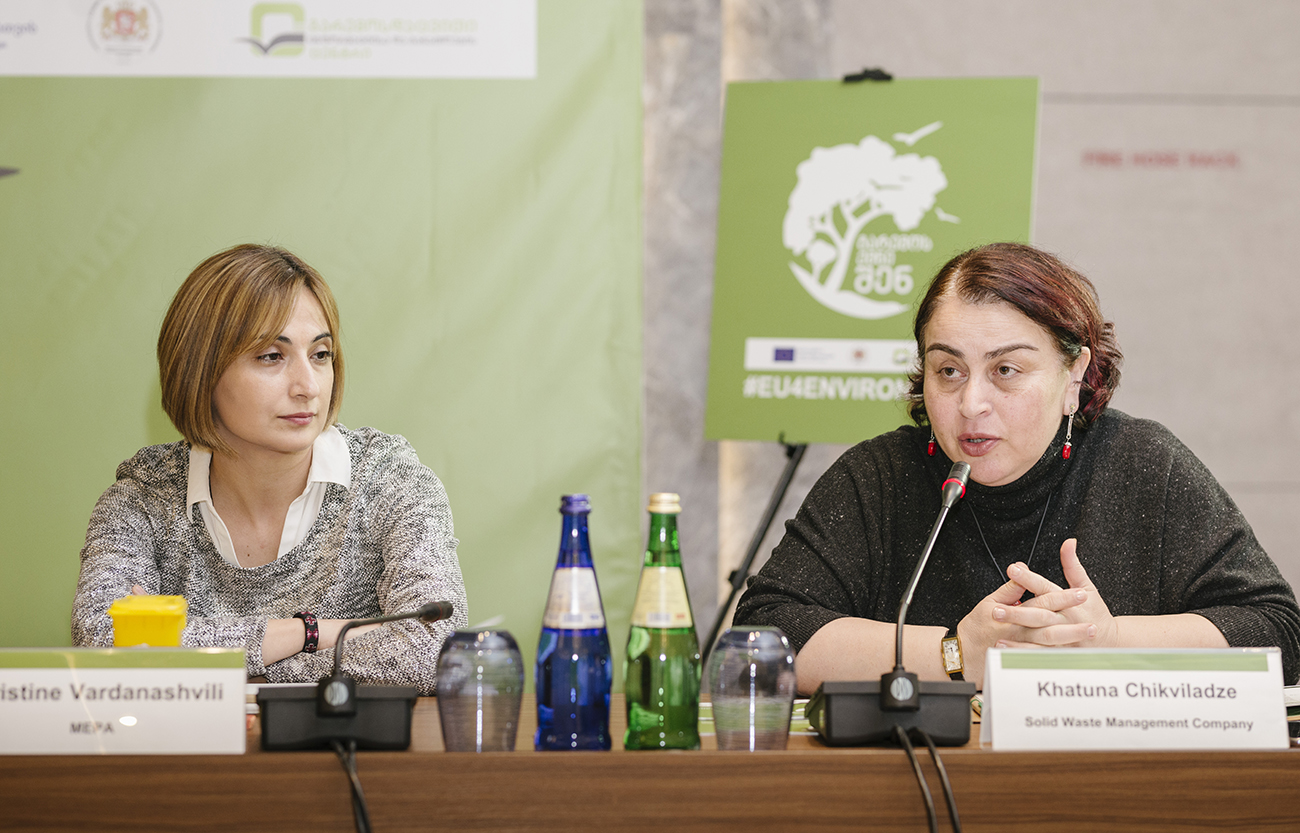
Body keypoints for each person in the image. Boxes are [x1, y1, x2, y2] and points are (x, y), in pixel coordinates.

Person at [735, 242, 1300, 691]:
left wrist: (1111, 642)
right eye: (948, 370)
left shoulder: (1142, 464)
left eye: (1005, 370)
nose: (971, 403)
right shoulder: (878, 476)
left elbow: (1278, 632)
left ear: (1073, 375)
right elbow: (762, 638)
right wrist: (956, 654)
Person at [71, 244, 468, 694]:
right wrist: (312, 633)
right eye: (271, 356)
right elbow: (103, 644)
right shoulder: (144, 498)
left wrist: (217, 665)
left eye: (320, 354)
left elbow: (434, 649)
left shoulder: (390, 480)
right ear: (200, 371)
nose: (308, 387)